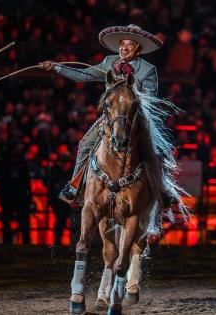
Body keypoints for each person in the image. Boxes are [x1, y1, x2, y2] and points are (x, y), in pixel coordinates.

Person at [39, 24, 178, 208]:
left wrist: (132, 86)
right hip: (111, 118)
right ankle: (74, 186)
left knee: (157, 150)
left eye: (129, 44)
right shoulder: (108, 63)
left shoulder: (147, 69)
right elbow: (84, 75)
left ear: (137, 48)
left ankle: (163, 190)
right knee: (85, 144)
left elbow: (150, 99)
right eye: (122, 43)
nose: (124, 47)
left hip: (136, 117)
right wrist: (57, 67)